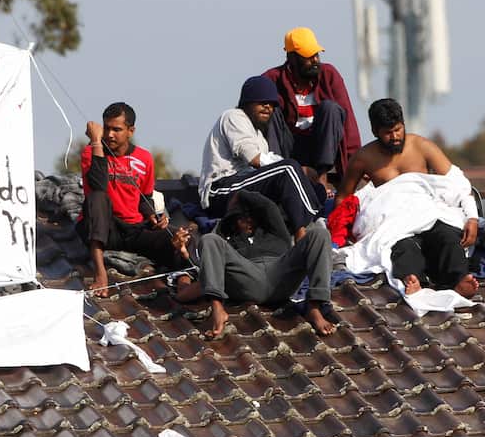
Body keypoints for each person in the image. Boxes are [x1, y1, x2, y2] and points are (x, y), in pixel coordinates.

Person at [338, 98, 480, 297]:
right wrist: (341, 230)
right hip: (394, 223)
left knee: (447, 238)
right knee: (402, 248)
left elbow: (458, 184)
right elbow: (343, 198)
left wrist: (472, 218)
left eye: (398, 129)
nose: (395, 136)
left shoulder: (422, 146)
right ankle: (413, 282)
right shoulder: (363, 158)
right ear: (375, 131)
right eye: (388, 133)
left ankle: (457, 281)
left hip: (428, 213)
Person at [174, 191, 336, 340]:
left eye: (251, 217)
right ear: (233, 223)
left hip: (281, 274)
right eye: (241, 218)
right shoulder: (230, 241)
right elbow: (205, 261)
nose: (248, 221)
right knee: (209, 239)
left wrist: (240, 194)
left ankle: (314, 307)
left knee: (319, 233)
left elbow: (268, 206)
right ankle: (217, 308)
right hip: (249, 278)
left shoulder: (276, 232)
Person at [78, 102, 189, 296]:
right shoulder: (92, 152)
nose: (109, 134)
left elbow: (145, 198)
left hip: (133, 230)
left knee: (178, 237)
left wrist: (153, 215)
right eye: (106, 128)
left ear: (131, 131)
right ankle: (100, 273)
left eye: (117, 129)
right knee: (97, 198)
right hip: (104, 229)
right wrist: (96, 141)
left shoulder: (144, 158)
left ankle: (185, 281)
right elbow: (97, 185)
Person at [199, 75, 325, 239]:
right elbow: (254, 159)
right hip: (221, 190)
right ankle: (304, 230)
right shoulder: (234, 116)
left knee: (317, 189)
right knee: (289, 168)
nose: (268, 107)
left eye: (272, 104)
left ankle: (307, 224)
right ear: (247, 103)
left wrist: (302, 174)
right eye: (262, 102)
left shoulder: (259, 136)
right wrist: (299, 170)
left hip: (244, 185)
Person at [262, 26, 362, 193]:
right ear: (292, 58)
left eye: (316, 54)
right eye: (308, 57)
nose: (315, 60)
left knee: (330, 108)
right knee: (270, 112)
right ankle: (277, 174)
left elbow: (348, 120)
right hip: (288, 146)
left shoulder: (329, 74)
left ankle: (321, 177)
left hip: (321, 146)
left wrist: (357, 162)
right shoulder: (272, 78)